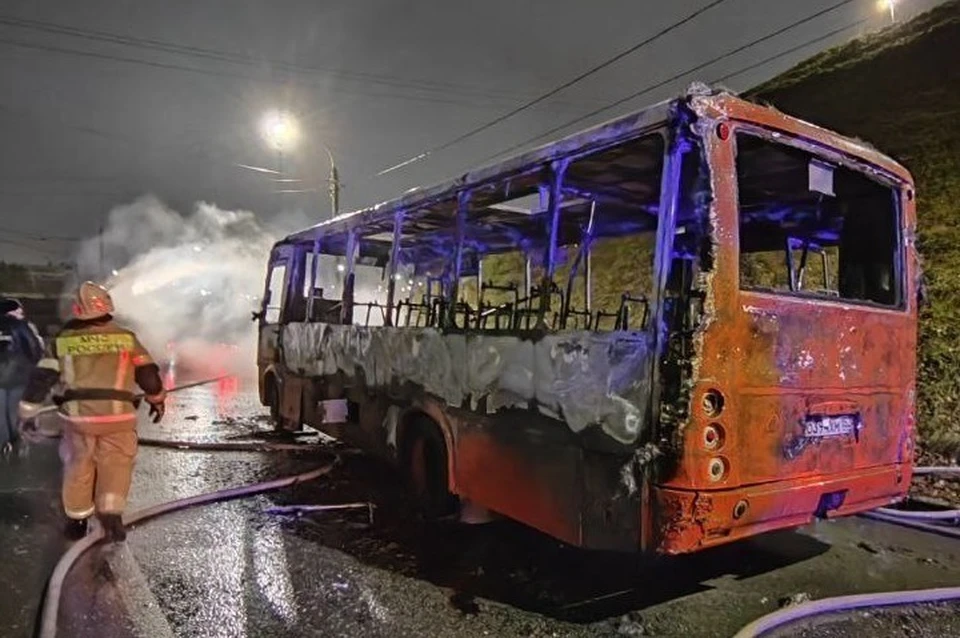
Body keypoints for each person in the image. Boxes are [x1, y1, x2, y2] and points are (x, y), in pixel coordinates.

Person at [19, 281, 166, 541]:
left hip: (79, 418)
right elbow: (148, 375)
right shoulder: (126, 338)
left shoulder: (63, 341)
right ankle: (111, 514)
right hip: (118, 418)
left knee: (78, 465)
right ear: (108, 305)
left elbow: (42, 378)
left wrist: (28, 412)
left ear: (77, 310)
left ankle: (77, 520)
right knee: (117, 464)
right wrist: (157, 398)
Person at [0, 297, 44, 454]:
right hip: (19, 374)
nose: (21, 312)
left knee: (1, 412)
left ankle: (4, 445)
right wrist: (33, 365)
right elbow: (34, 348)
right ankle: (15, 442)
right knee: (14, 410)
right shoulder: (21, 326)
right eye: (17, 309)